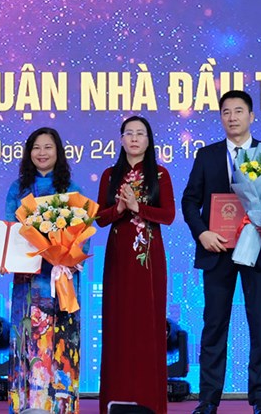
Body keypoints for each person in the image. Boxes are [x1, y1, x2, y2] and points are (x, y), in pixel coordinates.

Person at [182, 90, 261, 414]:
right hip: (217, 250)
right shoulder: (207, 155)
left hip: (257, 249)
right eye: (226, 112)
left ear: (251, 116)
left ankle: (260, 399)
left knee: (260, 324)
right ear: (221, 118)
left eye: (239, 111)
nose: (232, 117)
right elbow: (190, 200)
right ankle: (208, 400)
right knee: (214, 325)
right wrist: (202, 232)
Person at [96, 116, 175, 414]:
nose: (134, 138)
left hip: (149, 261)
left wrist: (137, 207)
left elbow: (168, 215)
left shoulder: (160, 174)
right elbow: (100, 218)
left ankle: (149, 401)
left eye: (140, 133)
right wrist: (119, 208)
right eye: (128, 133)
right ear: (121, 139)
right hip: (118, 259)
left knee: (147, 325)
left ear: (148, 140)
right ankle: (116, 399)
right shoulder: (110, 175)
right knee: (117, 325)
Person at [3, 127, 82, 414]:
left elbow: (82, 232)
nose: (42, 153)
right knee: (29, 342)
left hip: (61, 278)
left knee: (61, 343)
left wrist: (67, 255)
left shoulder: (71, 188)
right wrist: (3, 258)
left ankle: (61, 407)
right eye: (36, 147)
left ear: (58, 152)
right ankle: (26, 407)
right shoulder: (18, 189)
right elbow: (11, 231)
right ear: (29, 153)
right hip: (28, 280)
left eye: (48, 147)